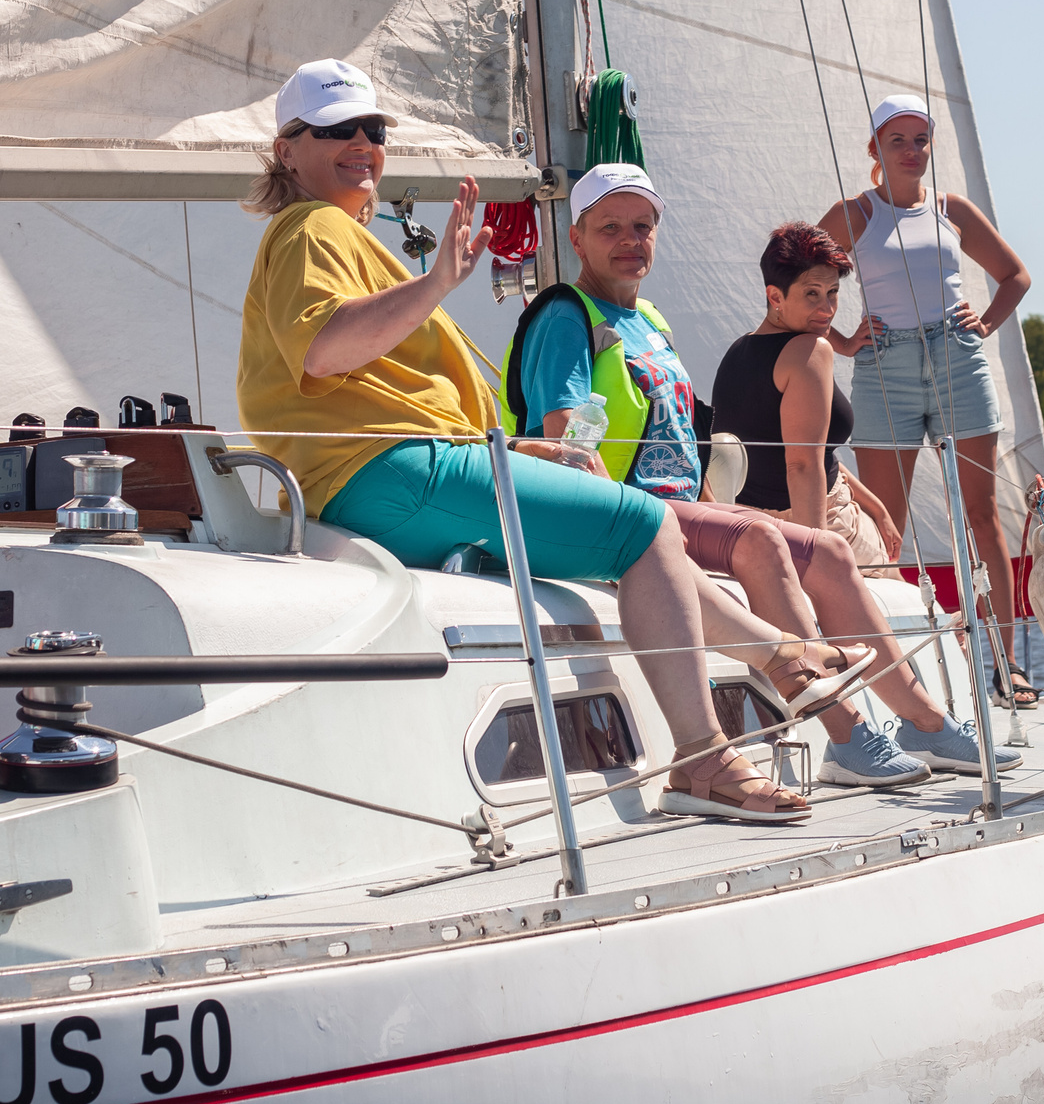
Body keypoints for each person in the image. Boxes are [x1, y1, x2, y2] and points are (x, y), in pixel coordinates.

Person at [236, 63, 823, 823]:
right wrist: (439, 280)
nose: (360, 143)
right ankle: (709, 753)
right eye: (335, 130)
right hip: (389, 472)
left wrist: (519, 454)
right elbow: (323, 350)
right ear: (288, 150)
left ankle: (779, 653)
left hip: (393, 473)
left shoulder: (332, 236)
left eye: (373, 130)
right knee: (644, 525)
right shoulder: (314, 229)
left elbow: (387, 392)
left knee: (644, 532)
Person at [513, 165, 1010, 786]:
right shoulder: (567, 317)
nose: (630, 239)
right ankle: (847, 733)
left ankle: (926, 723)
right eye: (610, 226)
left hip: (679, 508)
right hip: (622, 515)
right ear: (577, 234)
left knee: (828, 550)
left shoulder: (652, 321)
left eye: (643, 226)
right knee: (761, 538)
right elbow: (562, 439)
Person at [712, 223, 1022, 778]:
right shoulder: (809, 351)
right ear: (774, 296)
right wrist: (813, 548)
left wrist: (869, 499)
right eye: (812, 294)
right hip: (813, 519)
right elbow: (800, 463)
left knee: (874, 616)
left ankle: (913, 726)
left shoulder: (740, 353)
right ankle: (922, 726)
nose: (827, 308)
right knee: (883, 613)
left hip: (761, 518)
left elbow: (798, 448)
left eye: (833, 294)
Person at [817, 94, 1038, 704]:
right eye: (898, 141)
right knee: (885, 526)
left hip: (956, 357)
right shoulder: (853, 215)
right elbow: (792, 279)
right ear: (876, 150)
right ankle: (897, 673)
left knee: (983, 518)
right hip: (885, 364)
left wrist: (987, 323)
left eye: (921, 140)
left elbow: (1014, 275)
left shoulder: (951, 210)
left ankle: (1007, 664)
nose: (912, 152)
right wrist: (840, 340)